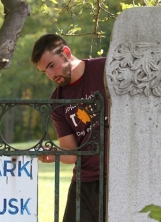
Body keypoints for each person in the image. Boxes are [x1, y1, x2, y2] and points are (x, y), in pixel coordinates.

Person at [30, 34, 108, 222]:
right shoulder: (57, 101)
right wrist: (53, 154)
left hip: (116, 177)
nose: (50, 75)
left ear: (66, 52)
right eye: (44, 71)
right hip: (83, 184)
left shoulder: (105, 69)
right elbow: (72, 152)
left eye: (51, 65)